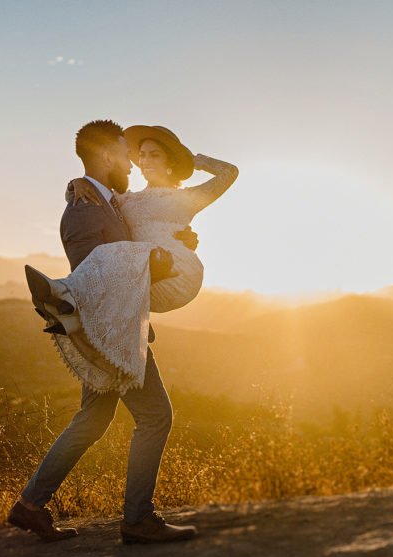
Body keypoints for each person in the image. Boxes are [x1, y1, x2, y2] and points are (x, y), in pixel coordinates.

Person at [8, 119, 234, 544]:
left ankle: (30, 506)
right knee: (155, 416)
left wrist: (175, 241)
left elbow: (141, 229)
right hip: (110, 331)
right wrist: (156, 262)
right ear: (108, 156)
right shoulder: (84, 207)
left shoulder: (102, 200)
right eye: (125, 154)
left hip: (110, 326)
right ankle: (137, 519)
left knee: (93, 418)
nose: (133, 162)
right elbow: (96, 269)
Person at [28, 123, 238, 394]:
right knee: (109, 258)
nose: (144, 160)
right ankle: (70, 308)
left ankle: (66, 294)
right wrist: (75, 183)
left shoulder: (187, 198)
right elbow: (96, 198)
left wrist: (194, 160)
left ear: (171, 161)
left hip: (177, 273)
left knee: (114, 256)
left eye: (154, 155)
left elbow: (229, 172)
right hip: (146, 269)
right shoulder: (127, 199)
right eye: (142, 154)